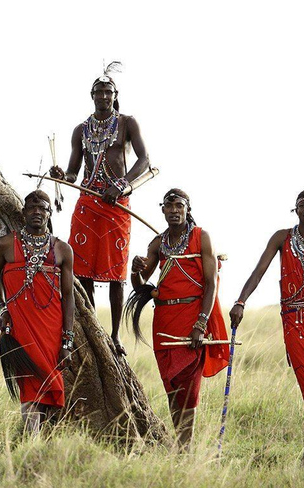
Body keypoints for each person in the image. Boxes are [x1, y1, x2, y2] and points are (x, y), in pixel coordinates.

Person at [229, 189, 304, 467]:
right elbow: (258, 271)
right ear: (294, 210)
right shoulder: (282, 238)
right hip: (294, 322)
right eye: (302, 205)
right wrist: (241, 301)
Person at [50, 68, 149, 356]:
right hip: (88, 204)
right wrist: (61, 175)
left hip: (115, 205)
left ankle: (116, 335)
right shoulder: (80, 130)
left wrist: (122, 186)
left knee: (117, 271)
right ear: (91, 97)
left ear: (115, 97)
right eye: (99, 92)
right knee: (83, 272)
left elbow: (144, 160)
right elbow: (72, 173)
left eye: (109, 92)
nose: (104, 96)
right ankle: (93, 327)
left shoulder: (127, 124)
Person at [124, 189, 229, 451]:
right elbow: (140, 285)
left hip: (192, 321)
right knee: (171, 384)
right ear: (162, 210)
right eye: (168, 206)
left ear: (187, 208)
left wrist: (201, 324)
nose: (174, 210)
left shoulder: (202, 237)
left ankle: (185, 448)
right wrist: (135, 270)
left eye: (178, 206)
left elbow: (210, 284)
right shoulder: (158, 243)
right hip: (164, 322)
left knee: (188, 387)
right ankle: (181, 443)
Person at [0, 190, 75, 434]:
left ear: (49, 214)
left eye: (43, 208)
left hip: (51, 329)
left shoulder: (62, 250)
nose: (37, 212)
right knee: (29, 383)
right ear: (24, 213)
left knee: (49, 384)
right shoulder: (6, 245)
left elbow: (68, 297)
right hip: (20, 327)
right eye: (32, 208)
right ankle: (31, 441)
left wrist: (67, 340)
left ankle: (38, 440)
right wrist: (2, 308)